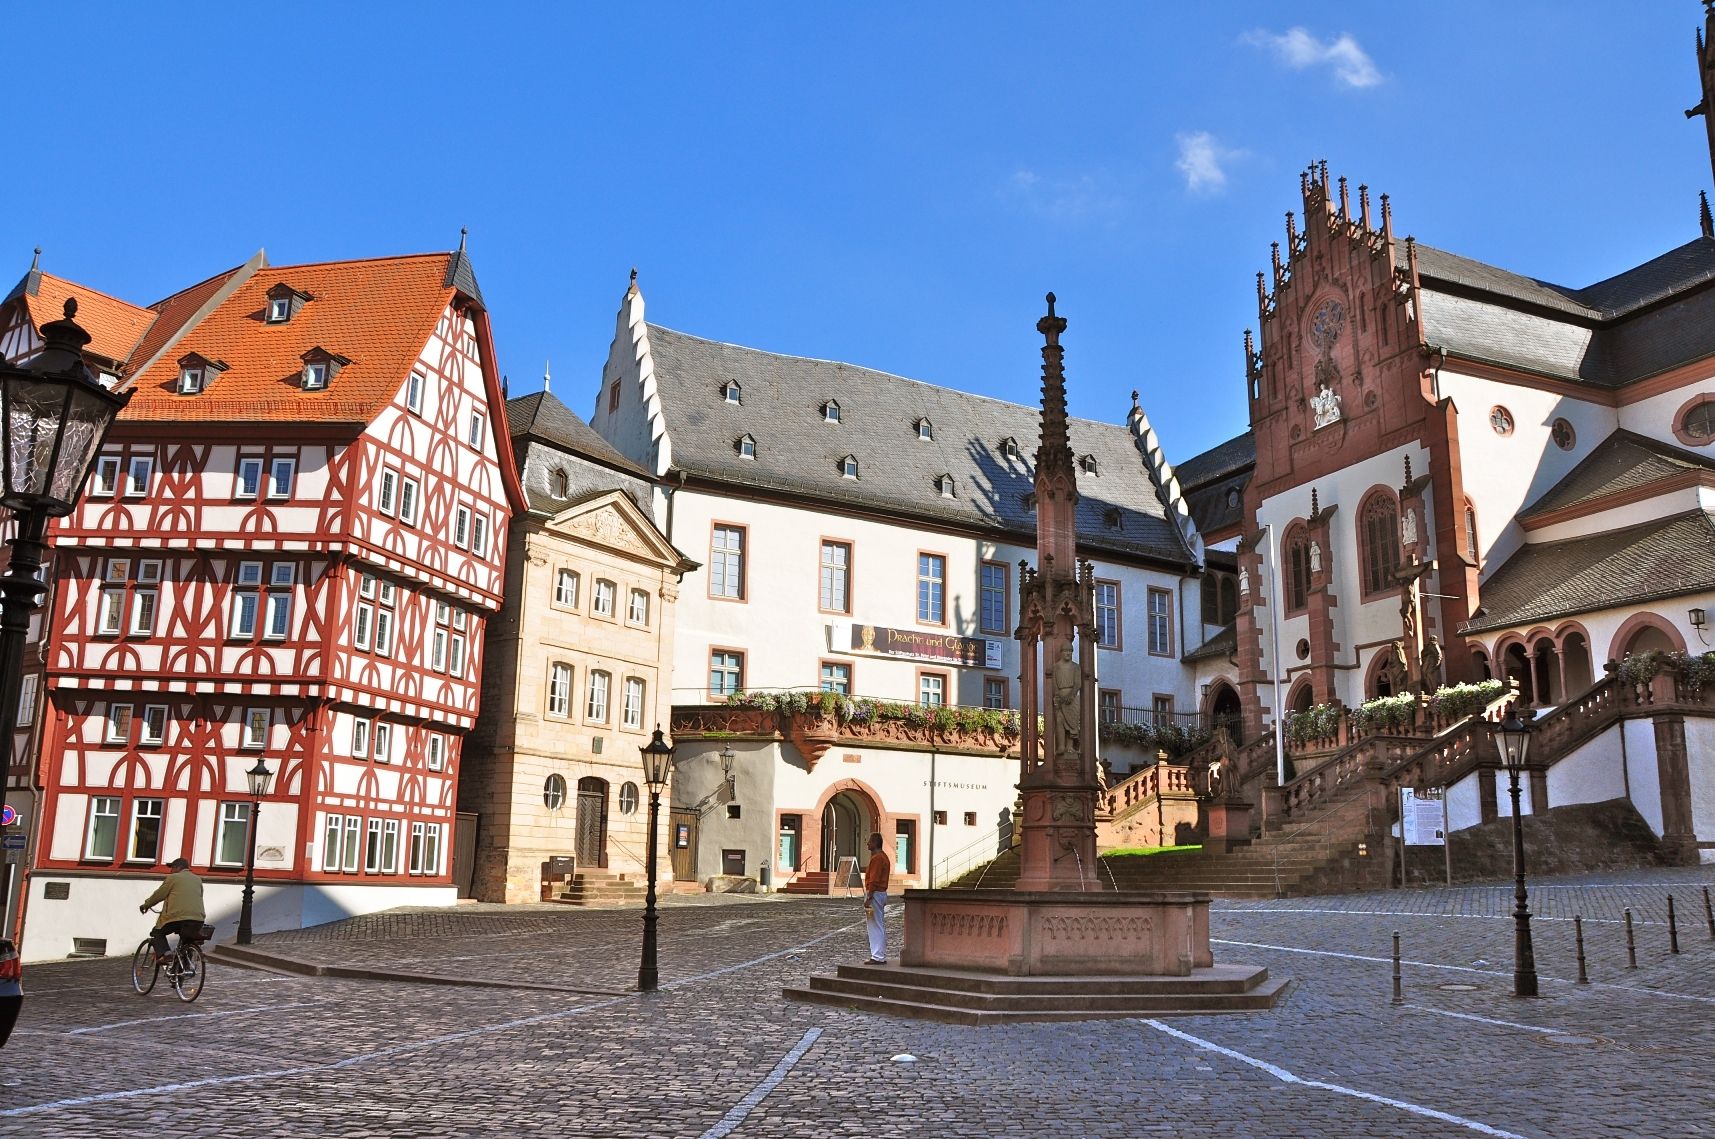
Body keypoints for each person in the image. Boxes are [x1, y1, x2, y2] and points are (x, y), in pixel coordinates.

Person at [140, 857, 206, 962]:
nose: (171, 871)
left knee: (157, 932)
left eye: (172, 868)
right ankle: (183, 970)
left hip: (178, 917)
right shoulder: (197, 879)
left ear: (177, 867)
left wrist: (146, 905)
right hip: (198, 918)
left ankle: (166, 954)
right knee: (186, 940)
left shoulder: (173, 878)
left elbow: (159, 895)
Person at [861, 831, 889, 964]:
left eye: (870, 841)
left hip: (875, 894)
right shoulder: (883, 857)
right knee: (878, 924)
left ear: (875, 843)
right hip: (879, 893)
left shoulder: (878, 858)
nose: (867, 843)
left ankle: (877, 956)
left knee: (874, 924)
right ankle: (879, 954)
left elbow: (874, 879)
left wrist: (869, 896)